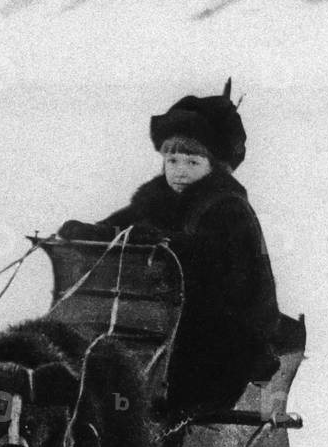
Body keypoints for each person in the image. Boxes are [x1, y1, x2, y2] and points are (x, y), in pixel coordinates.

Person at [58, 81, 280, 419]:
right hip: (161, 321)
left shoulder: (228, 209)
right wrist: (92, 232)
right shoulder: (156, 200)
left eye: (192, 162)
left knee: (165, 383)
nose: (179, 171)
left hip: (220, 335)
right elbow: (122, 227)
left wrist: (163, 241)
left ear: (214, 166)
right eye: (172, 160)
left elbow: (212, 262)